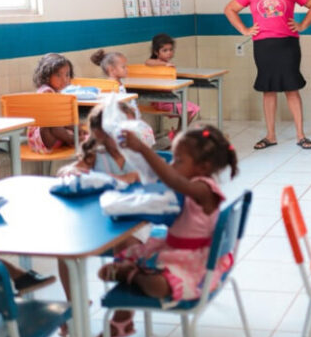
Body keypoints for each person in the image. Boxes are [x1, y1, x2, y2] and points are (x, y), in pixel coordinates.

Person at [97, 125, 238, 304]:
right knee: (131, 252)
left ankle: (133, 275)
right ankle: (132, 274)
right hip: (173, 249)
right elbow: (169, 183)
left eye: (178, 161)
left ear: (203, 167)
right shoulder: (191, 183)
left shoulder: (204, 189)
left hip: (194, 260)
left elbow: (173, 180)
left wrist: (142, 149)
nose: (172, 165)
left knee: (158, 286)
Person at [56, 100, 157, 337]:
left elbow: (152, 175)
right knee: (65, 251)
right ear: (100, 134)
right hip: (100, 224)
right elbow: (66, 171)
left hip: (135, 223)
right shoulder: (96, 155)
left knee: (127, 245)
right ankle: (75, 304)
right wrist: (71, 172)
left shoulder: (138, 151)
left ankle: (124, 315)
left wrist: (131, 176)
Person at [224, 0, 311, 150]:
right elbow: (229, 9)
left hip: (288, 44)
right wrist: (244, 29)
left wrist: (302, 25)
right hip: (263, 46)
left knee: (291, 88)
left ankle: (301, 136)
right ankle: (270, 136)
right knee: (268, 90)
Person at [28, 53, 80, 154]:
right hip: (41, 138)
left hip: (53, 138)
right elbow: (54, 121)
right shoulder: (46, 92)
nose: (64, 79)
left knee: (71, 124)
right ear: (46, 76)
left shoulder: (57, 91)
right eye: (58, 75)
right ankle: (73, 140)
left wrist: (75, 127)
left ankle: (74, 138)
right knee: (53, 124)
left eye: (67, 75)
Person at [144, 33, 200, 126]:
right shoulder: (158, 63)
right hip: (161, 101)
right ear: (156, 52)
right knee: (188, 110)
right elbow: (148, 62)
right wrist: (165, 64)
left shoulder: (167, 65)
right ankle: (179, 132)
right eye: (165, 50)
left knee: (193, 108)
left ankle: (179, 132)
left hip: (169, 99)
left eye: (170, 50)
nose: (169, 53)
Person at [90, 48, 139, 117]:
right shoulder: (110, 86)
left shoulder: (119, 82)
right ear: (112, 70)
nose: (127, 69)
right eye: (123, 67)